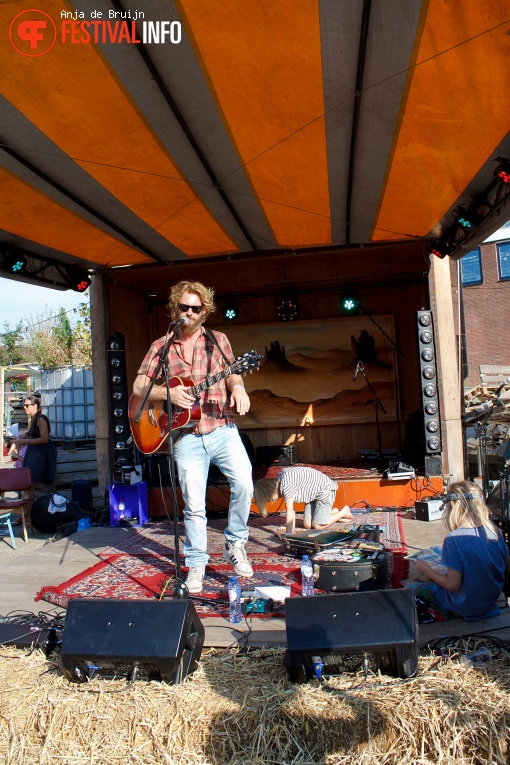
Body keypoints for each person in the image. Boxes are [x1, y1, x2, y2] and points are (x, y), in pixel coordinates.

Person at [133, 280, 254, 594]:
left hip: (223, 428)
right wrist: (167, 392)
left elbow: (233, 373)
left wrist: (238, 388)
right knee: (194, 506)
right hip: (185, 435)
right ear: (175, 309)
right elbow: (138, 387)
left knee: (244, 483)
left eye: (195, 308)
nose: (189, 312)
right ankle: (197, 563)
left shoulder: (219, 339)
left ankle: (235, 544)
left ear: (205, 312)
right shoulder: (161, 346)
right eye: (183, 307)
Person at [408, 480, 510, 621]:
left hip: (464, 606)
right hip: (488, 602)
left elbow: (452, 586)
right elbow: (507, 568)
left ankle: (445, 610)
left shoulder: (453, 539)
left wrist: (426, 569)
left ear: (453, 504)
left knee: (411, 587)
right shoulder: (495, 531)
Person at [253, 466, 353, 536]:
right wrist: (290, 528)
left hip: (325, 491)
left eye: (269, 499)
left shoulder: (286, 486)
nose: (271, 501)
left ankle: (344, 511)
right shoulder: (280, 478)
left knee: (317, 526)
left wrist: (288, 533)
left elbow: (290, 510)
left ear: (271, 492)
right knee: (307, 525)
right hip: (312, 495)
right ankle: (332, 513)